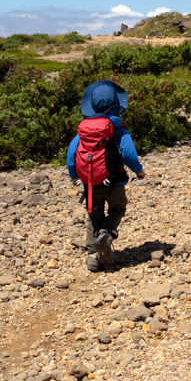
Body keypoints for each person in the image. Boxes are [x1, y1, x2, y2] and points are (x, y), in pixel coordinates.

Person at [66, 78, 145, 272]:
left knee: (94, 216)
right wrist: (139, 171)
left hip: (91, 183)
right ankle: (107, 233)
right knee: (117, 209)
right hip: (115, 181)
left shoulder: (83, 131)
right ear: (116, 105)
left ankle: (93, 258)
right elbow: (128, 155)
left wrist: (74, 176)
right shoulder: (118, 129)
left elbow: (71, 155)